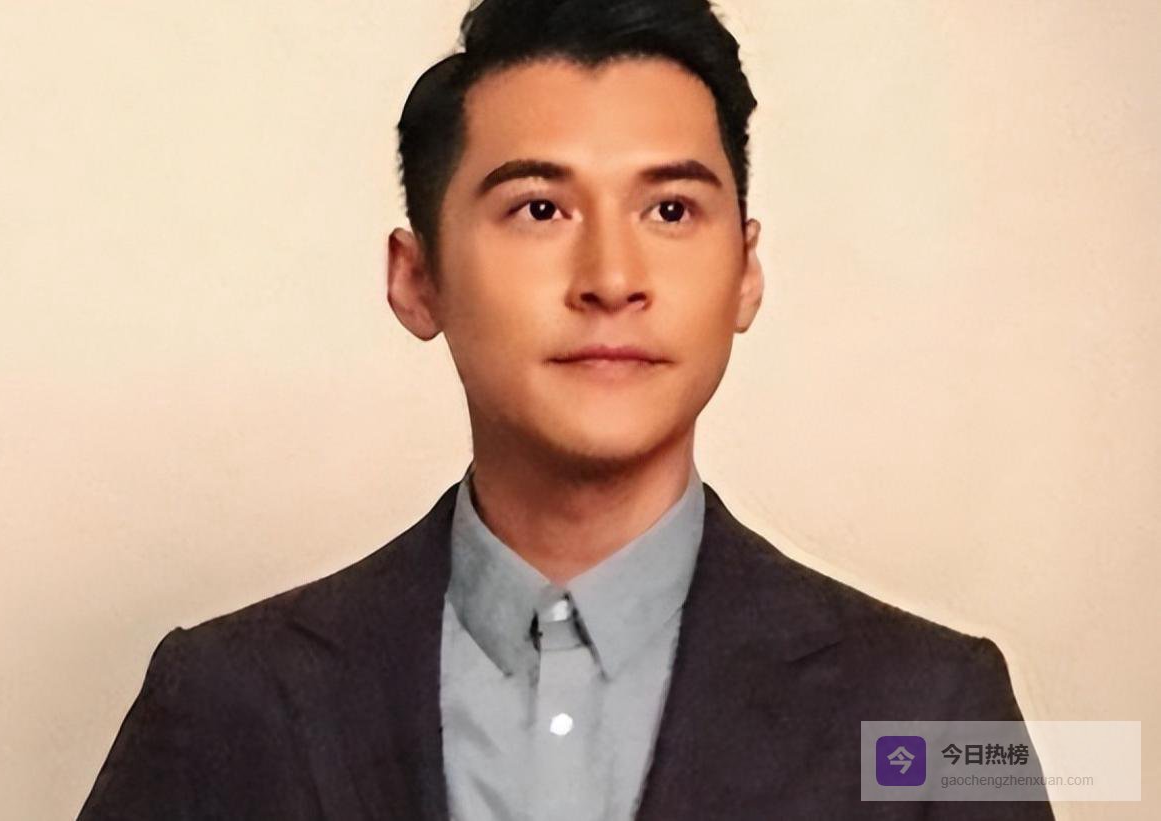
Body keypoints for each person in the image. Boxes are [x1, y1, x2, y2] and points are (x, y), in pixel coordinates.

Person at [79, 1, 1054, 818]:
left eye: (670, 210)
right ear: (417, 279)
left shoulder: (935, 710)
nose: (612, 278)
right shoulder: (223, 700)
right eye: (540, 209)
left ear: (745, 273)